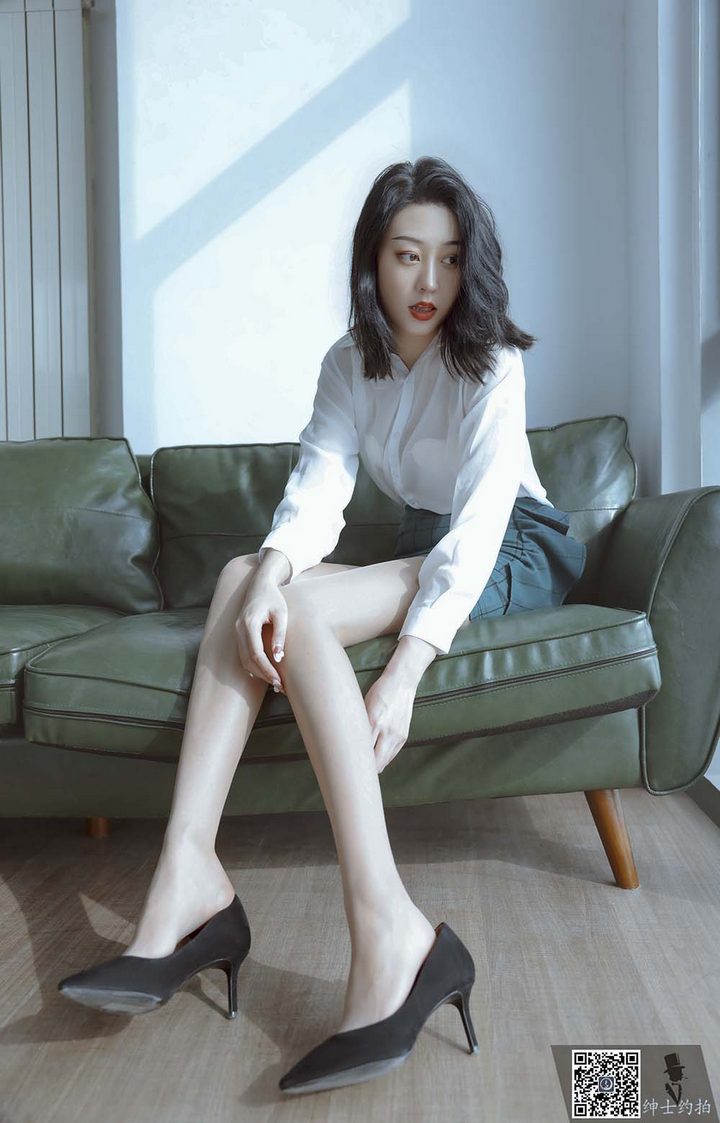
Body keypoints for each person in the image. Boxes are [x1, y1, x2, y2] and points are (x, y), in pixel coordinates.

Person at [58, 156, 586, 1095]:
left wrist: (406, 672)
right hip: (425, 540)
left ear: (471, 267)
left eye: (450, 258)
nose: (429, 282)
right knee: (241, 578)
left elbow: (475, 531)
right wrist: (268, 573)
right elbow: (317, 491)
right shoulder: (349, 363)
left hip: (511, 543)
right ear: (373, 260)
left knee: (294, 606)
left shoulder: (493, 363)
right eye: (408, 255)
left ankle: (390, 927)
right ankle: (187, 871)